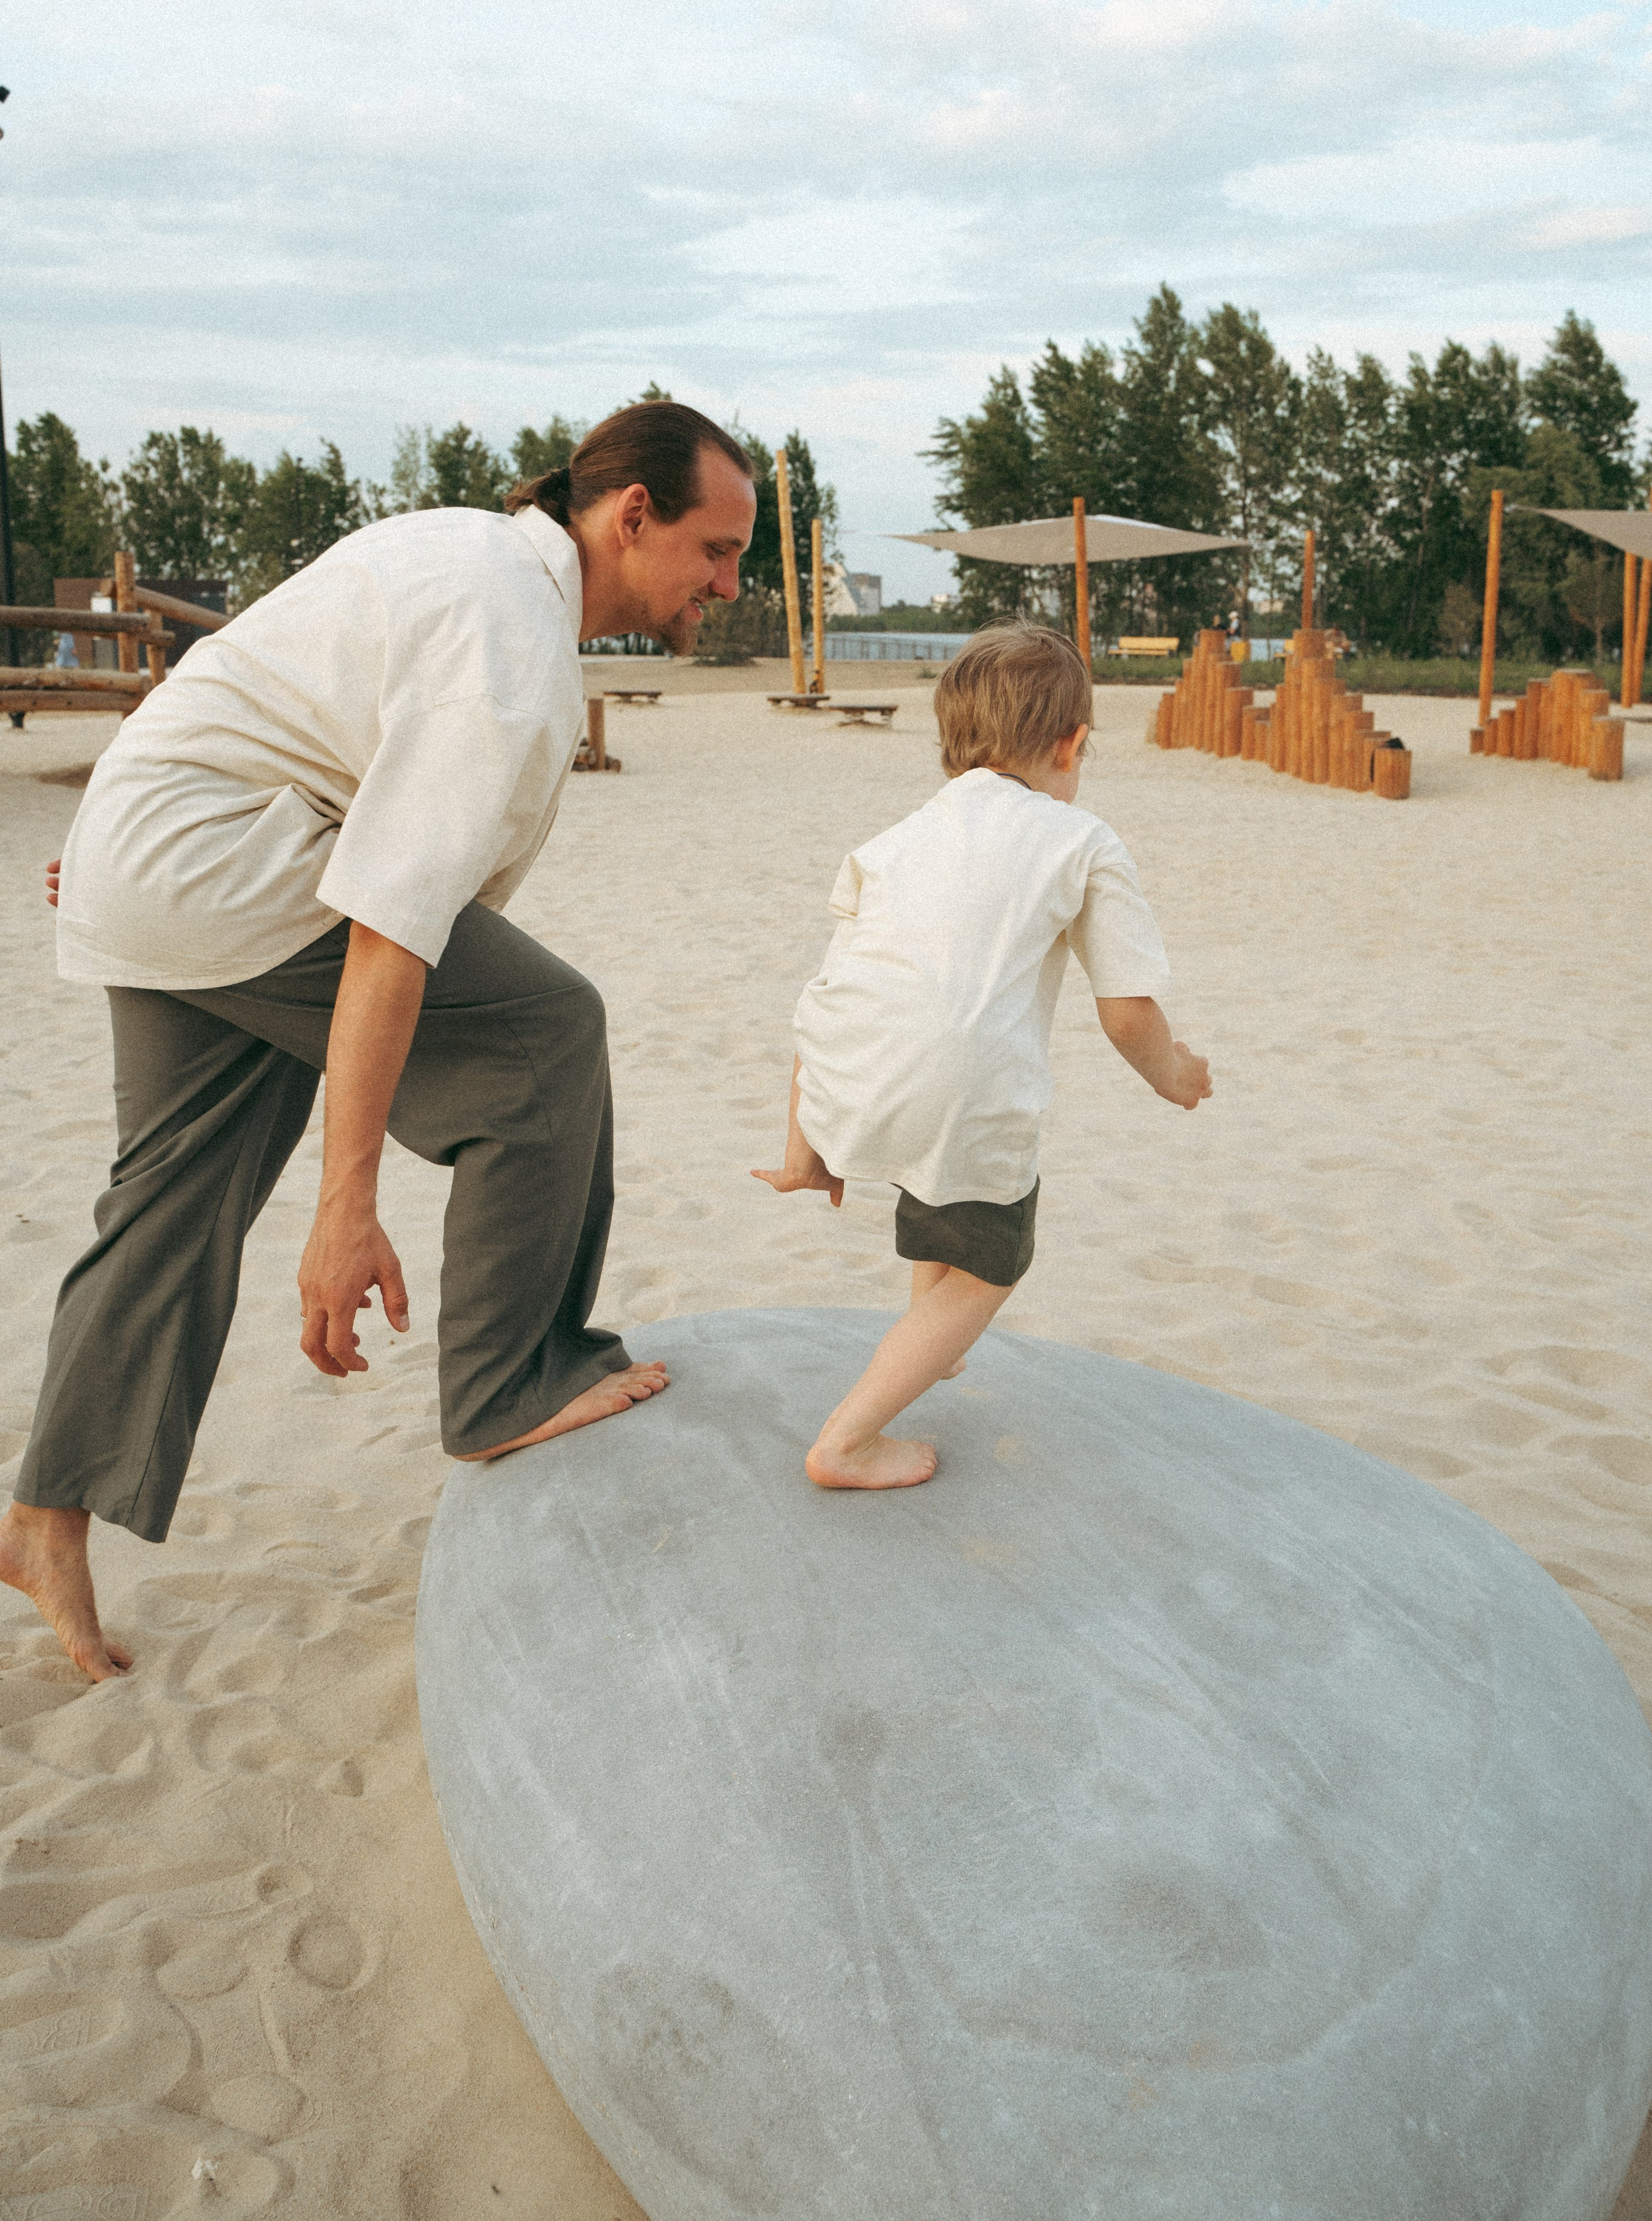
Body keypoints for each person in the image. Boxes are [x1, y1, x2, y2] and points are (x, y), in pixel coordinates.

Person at [3, 401, 757, 1681]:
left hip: (162, 853)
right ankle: (508, 1383)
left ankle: (40, 1518)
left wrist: (133, 825)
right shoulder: (507, 642)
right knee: (543, 1035)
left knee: (172, 1196)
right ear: (632, 515)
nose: (728, 588)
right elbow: (392, 937)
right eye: (717, 551)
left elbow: (260, 675)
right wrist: (345, 1207)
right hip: (217, 862)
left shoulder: (476, 559)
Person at [753, 621, 1212, 1490]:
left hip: (840, 1071)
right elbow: (1126, 1014)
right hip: (956, 1089)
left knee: (938, 1176)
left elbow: (840, 985)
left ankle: (927, 1341)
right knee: (992, 1264)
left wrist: (804, 1148)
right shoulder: (1082, 841)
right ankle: (847, 1441)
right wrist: (1174, 1075)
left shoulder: (892, 839)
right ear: (1071, 745)